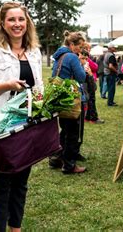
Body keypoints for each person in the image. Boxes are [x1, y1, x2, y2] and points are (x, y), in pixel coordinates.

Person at [0, 1, 43, 231]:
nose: (17, 24)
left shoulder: (34, 53)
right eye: (12, 20)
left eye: (21, 19)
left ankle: (16, 228)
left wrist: (44, 99)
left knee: (21, 181)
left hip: (25, 123)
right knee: (0, 183)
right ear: (3, 24)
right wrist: (6, 85)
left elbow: (39, 86)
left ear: (27, 23)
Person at [49, 30, 87, 174]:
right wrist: (82, 65)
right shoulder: (71, 57)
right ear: (71, 44)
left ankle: (57, 158)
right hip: (70, 99)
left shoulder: (59, 57)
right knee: (71, 133)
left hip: (60, 98)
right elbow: (81, 77)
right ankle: (69, 165)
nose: (80, 49)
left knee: (64, 130)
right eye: (79, 46)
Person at [82, 43, 104, 124]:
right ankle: (93, 118)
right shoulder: (86, 58)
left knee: (89, 99)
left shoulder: (85, 57)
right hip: (88, 80)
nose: (89, 50)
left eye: (90, 48)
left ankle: (88, 117)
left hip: (89, 79)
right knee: (91, 99)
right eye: (88, 48)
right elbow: (95, 67)